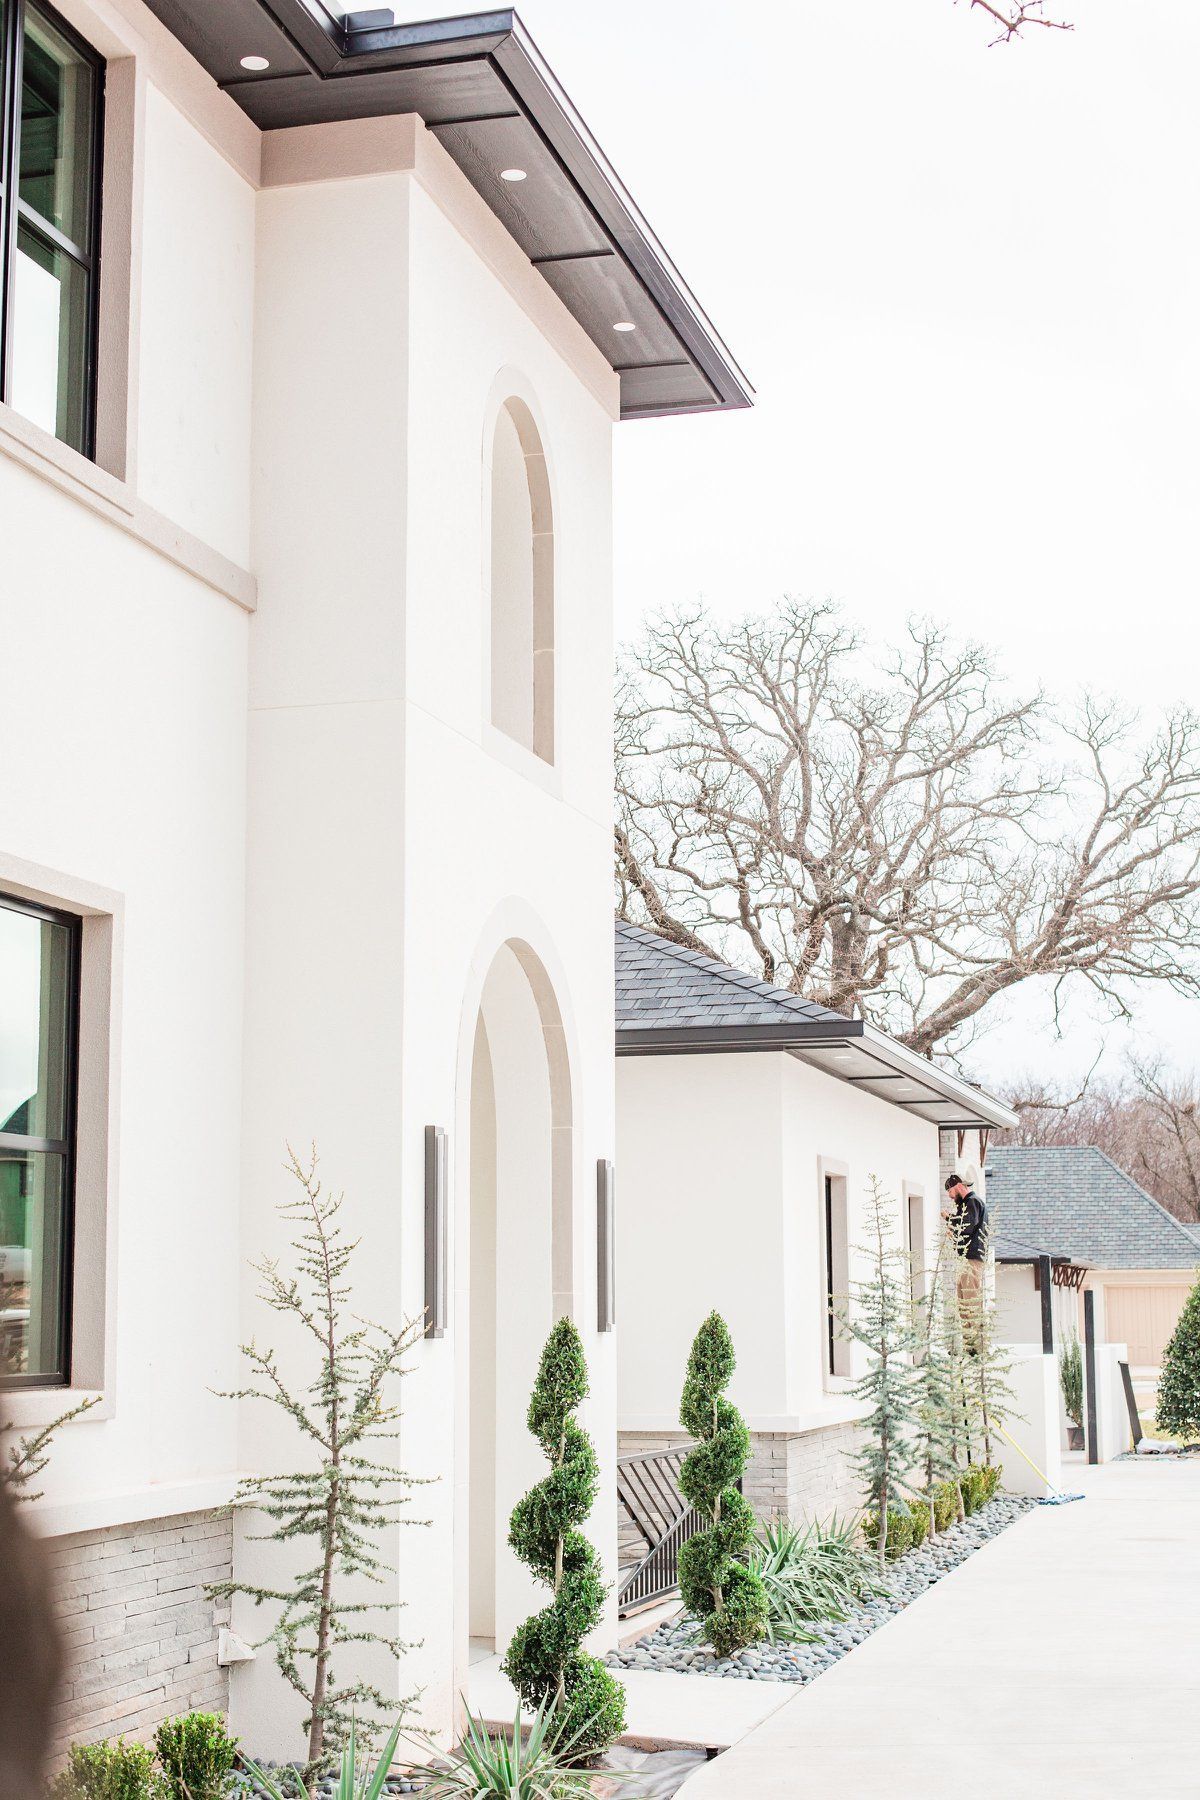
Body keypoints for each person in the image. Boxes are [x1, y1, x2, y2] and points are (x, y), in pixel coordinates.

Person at [942, 1171, 987, 1317]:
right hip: (967, 1259)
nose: (950, 1195)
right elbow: (965, 1230)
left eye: (950, 1190)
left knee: (971, 1303)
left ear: (959, 1186)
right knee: (963, 1304)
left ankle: (975, 1338)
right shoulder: (966, 1203)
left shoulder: (972, 1201)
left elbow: (966, 1227)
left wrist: (949, 1219)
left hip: (972, 1260)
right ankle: (969, 1338)